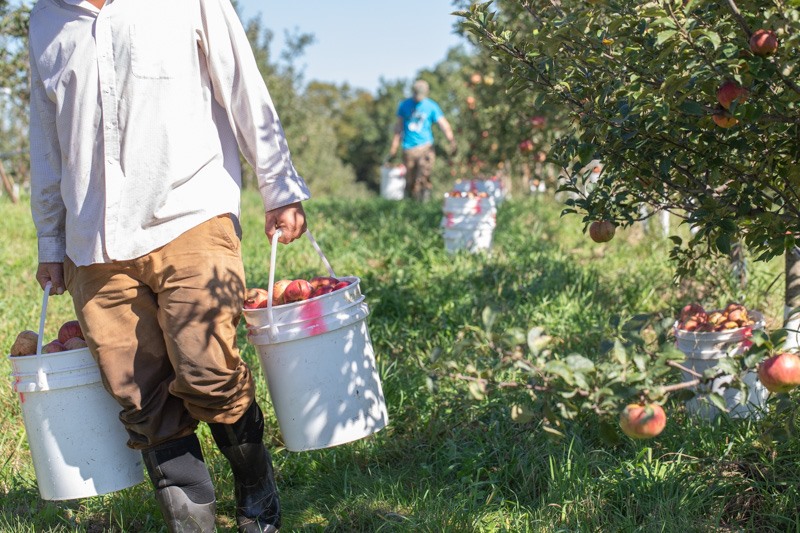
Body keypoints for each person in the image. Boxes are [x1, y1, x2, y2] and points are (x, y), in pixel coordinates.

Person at [27, 0, 311, 531]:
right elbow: (46, 139)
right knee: (140, 395)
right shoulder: (46, 20)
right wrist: (51, 238)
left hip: (190, 211)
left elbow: (241, 81)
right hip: (96, 239)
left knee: (206, 369)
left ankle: (254, 483)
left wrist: (279, 185)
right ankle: (191, 521)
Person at [388, 79, 457, 202]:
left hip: (426, 147)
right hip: (408, 148)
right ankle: (410, 204)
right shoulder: (404, 105)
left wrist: (451, 140)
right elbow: (398, 127)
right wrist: (393, 147)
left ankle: (424, 203)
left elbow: (443, 124)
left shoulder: (431, 106)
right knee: (410, 179)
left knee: (424, 176)